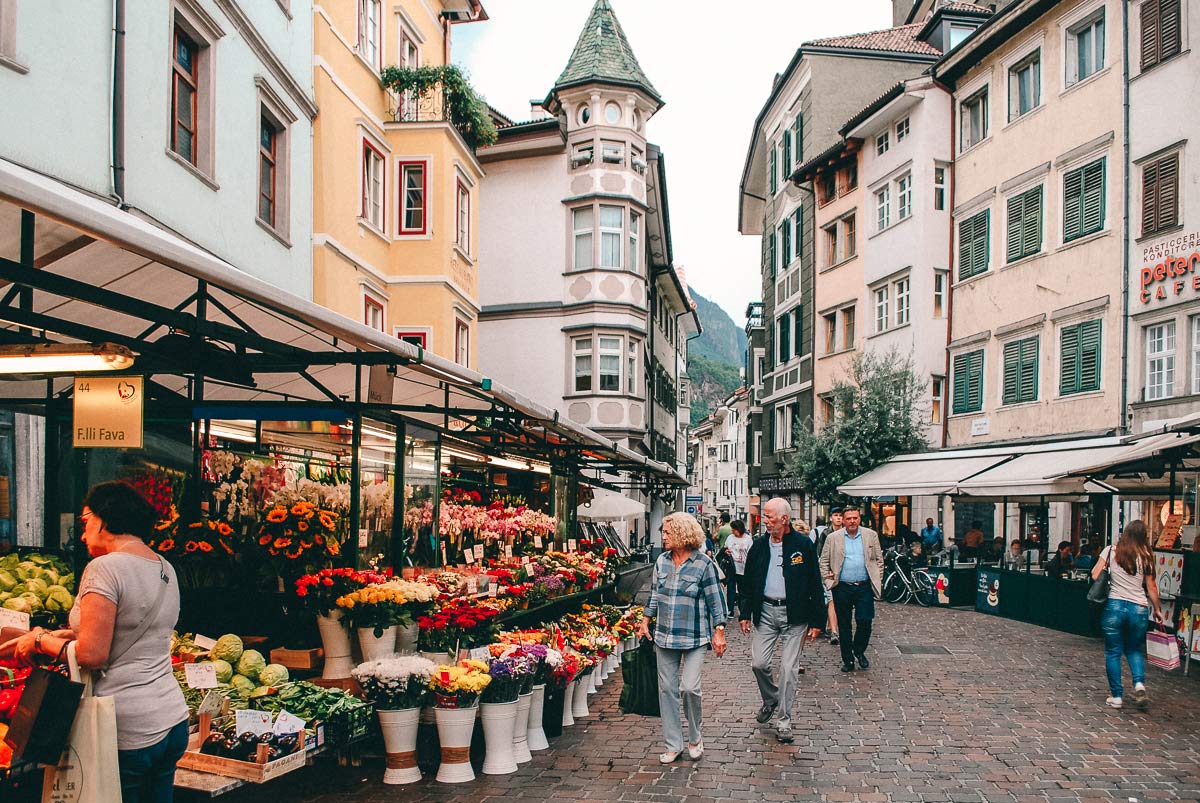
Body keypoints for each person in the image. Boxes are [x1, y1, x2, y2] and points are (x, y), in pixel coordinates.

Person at [13, 481, 189, 803]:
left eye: (85, 521)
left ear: (104, 518)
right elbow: (133, 631)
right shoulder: (166, 568)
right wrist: (68, 636)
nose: (82, 534)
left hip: (125, 729)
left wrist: (38, 640)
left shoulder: (105, 568)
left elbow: (93, 655)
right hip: (172, 720)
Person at [638, 512, 728, 763]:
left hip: (695, 637)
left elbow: (716, 602)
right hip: (664, 636)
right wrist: (645, 621)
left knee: (689, 687)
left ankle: (695, 737)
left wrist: (719, 631)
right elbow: (655, 594)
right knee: (666, 690)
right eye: (663, 532)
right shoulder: (661, 562)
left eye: (667, 532)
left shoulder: (704, 564)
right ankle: (673, 744)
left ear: (682, 533)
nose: (663, 536)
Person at [739, 498, 824, 744]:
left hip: (795, 615)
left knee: (788, 670)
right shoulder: (759, 546)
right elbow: (747, 583)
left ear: (784, 519)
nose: (765, 521)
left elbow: (815, 583)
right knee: (759, 663)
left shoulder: (802, 545)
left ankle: (784, 721)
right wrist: (745, 613)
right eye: (764, 517)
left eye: (769, 517)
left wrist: (818, 620)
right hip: (765, 611)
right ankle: (771, 698)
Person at [1091, 521, 1165, 710]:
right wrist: (1157, 609)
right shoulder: (1146, 555)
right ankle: (1139, 683)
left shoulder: (1111, 551)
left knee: (1113, 651)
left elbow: (1094, 574)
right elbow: (1151, 587)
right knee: (1134, 649)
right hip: (1138, 607)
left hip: (1114, 605)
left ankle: (1116, 696)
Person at [820, 506, 884, 673]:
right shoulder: (833, 538)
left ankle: (859, 650)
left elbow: (879, 560)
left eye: (855, 518)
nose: (852, 521)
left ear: (859, 518)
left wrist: (877, 579)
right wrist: (828, 580)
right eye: (848, 518)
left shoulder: (870, 535)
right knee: (844, 624)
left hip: (863, 586)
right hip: (842, 587)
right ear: (844, 520)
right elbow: (824, 561)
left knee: (865, 621)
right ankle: (847, 659)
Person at [724, 519, 753, 613]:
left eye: (734, 530)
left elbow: (751, 553)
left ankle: (742, 610)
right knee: (731, 590)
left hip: (744, 569)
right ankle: (730, 610)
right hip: (732, 568)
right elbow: (725, 548)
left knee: (742, 591)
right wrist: (726, 552)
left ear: (739, 529)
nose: (733, 532)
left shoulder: (748, 539)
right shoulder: (730, 538)